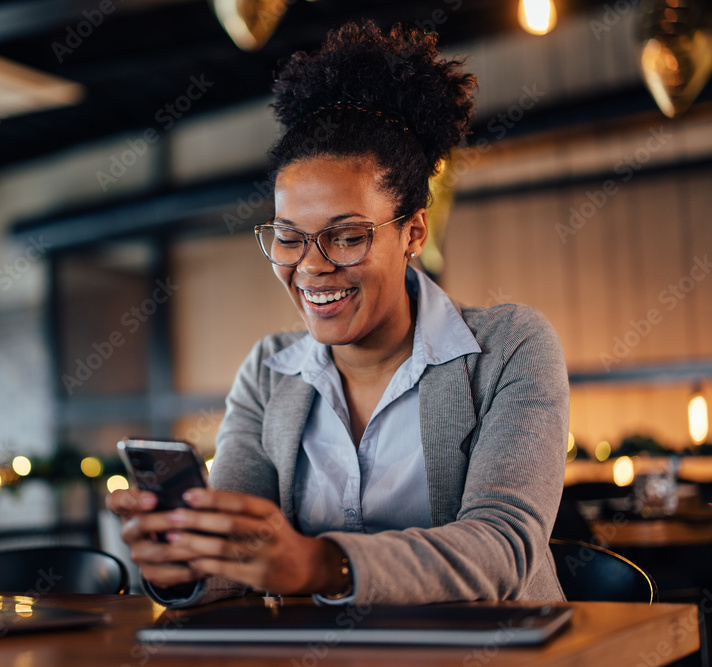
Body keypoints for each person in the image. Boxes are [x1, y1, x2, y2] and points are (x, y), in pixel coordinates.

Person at [107, 20, 570, 607]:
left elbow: (503, 550)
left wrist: (322, 565)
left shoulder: (510, 348)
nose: (311, 266)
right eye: (289, 237)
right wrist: (185, 565)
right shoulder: (269, 370)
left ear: (413, 233)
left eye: (347, 237)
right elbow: (237, 561)